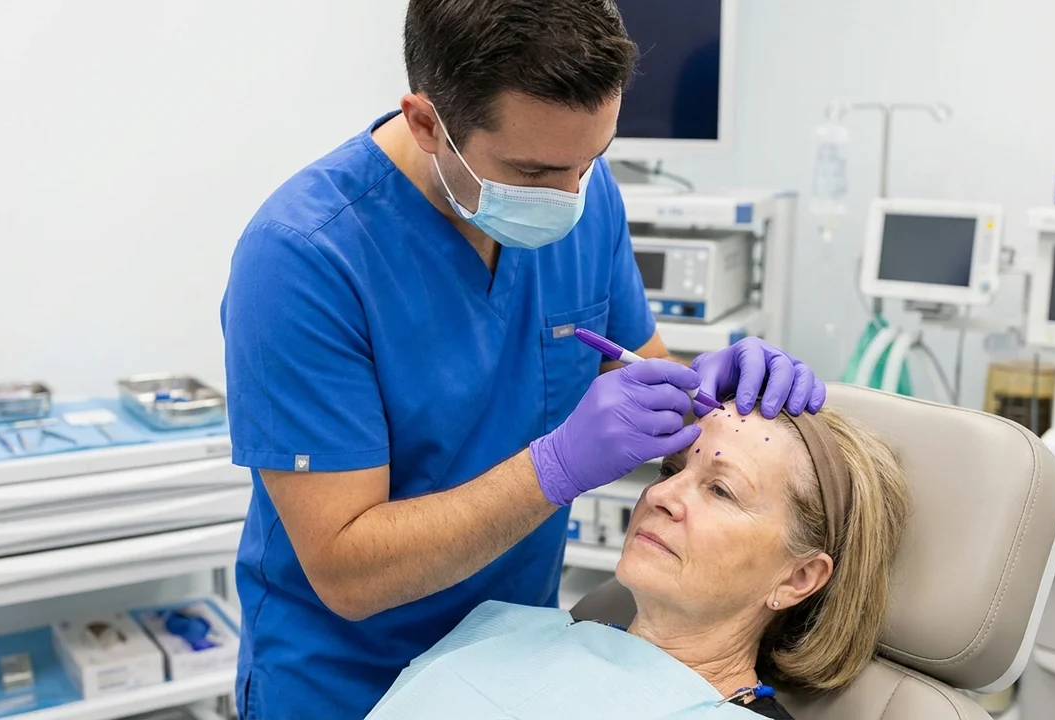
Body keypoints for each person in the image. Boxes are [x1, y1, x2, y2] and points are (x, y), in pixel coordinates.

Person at [218, 1, 825, 717]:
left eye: (591, 161)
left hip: (516, 659)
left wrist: (704, 389)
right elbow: (348, 574)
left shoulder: (581, 193)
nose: (570, 196)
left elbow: (633, 365)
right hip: (344, 684)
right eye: (534, 170)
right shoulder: (304, 257)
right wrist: (556, 466)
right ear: (425, 122)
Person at [366, 404, 912, 718]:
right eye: (669, 470)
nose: (661, 496)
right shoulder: (508, 629)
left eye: (721, 491)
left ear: (798, 578)